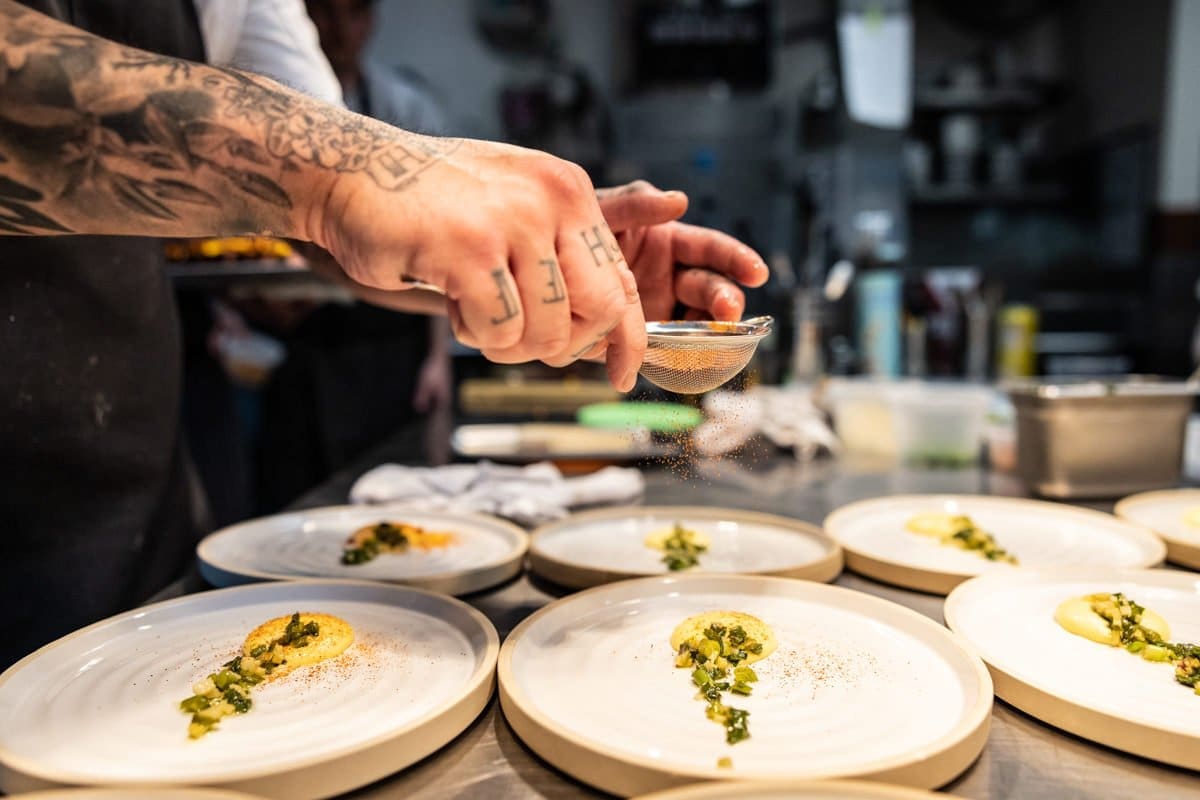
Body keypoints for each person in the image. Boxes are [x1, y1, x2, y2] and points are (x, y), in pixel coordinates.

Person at [0, 0, 767, 668]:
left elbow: (317, 217)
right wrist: (353, 171)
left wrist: (532, 266)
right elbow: (324, 176)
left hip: (130, 476)